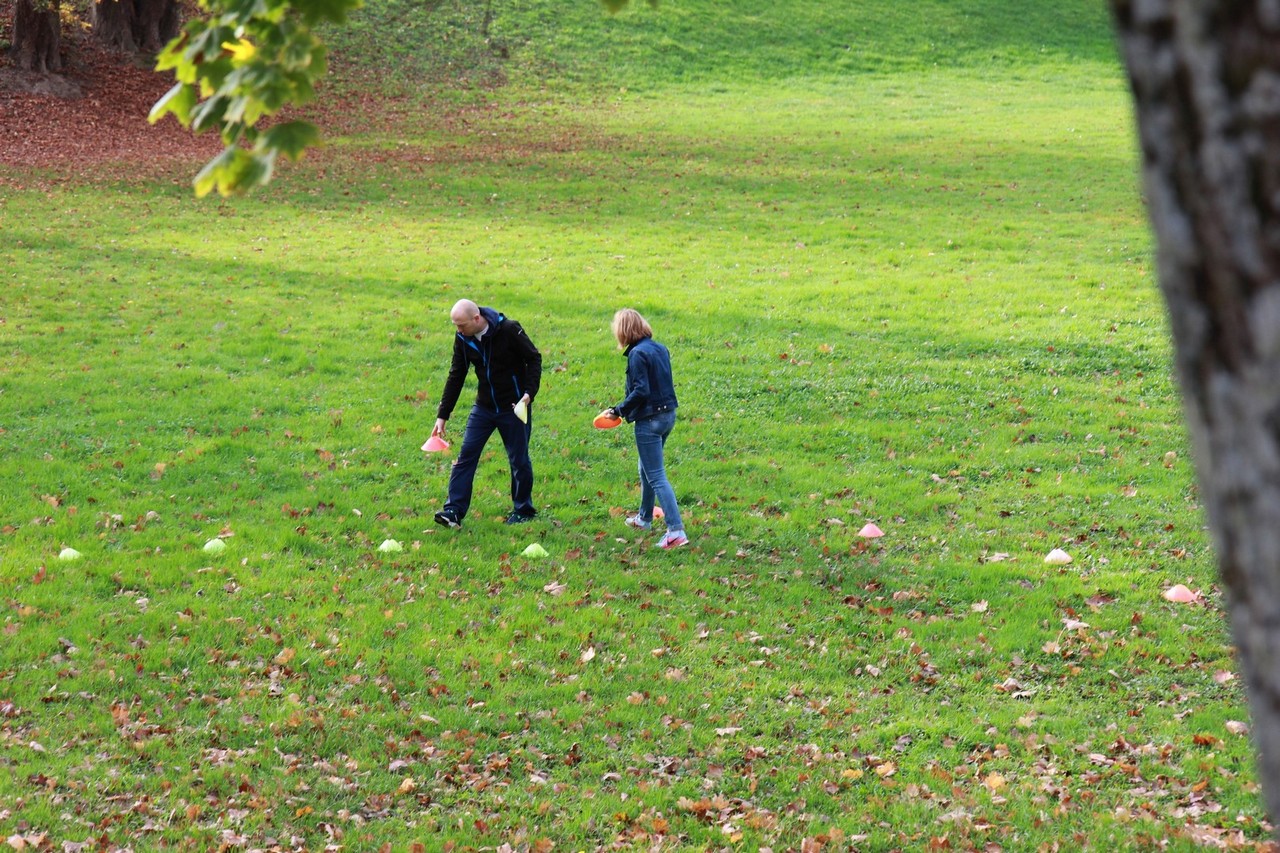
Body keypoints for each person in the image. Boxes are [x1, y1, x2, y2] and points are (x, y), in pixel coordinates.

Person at [431, 299, 542, 528]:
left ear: (477, 318)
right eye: (455, 326)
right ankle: (453, 511)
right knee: (465, 456)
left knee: (518, 460)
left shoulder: (509, 330)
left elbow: (534, 358)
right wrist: (443, 415)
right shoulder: (463, 338)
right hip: (483, 408)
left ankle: (524, 510)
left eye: (461, 325)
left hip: (514, 407)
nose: (458, 330)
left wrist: (528, 394)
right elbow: (456, 374)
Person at [605, 308, 688, 549]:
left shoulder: (637, 354)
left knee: (656, 475)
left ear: (624, 330)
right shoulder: (659, 348)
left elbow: (641, 391)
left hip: (650, 421)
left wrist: (618, 410)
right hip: (667, 416)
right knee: (646, 468)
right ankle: (644, 517)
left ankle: (676, 531)